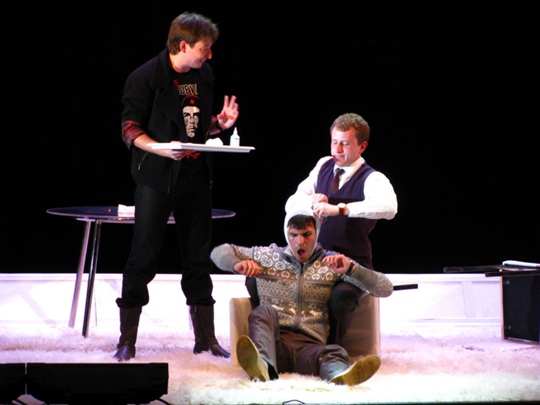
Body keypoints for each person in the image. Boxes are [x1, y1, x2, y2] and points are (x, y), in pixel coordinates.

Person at [114, 11, 238, 362]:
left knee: (198, 257)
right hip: (156, 177)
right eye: (204, 48)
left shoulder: (203, 75)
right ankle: (127, 340)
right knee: (143, 257)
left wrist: (219, 124)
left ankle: (206, 339)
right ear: (183, 45)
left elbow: (196, 128)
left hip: (195, 178)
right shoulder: (145, 77)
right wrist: (159, 148)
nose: (209, 54)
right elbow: (129, 129)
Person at [211, 211, 393, 384]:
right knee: (262, 311)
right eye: (293, 235)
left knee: (334, 352)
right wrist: (235, 264)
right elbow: (218, 252)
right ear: (286, 234)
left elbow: (385, 288)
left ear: (317, 232)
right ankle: (263, 368)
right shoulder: (266, 256)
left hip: (309, 348)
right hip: (274, 345)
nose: (300, 242)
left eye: (306, 234)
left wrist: (352, 269)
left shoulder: (332, 262)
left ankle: (339, 377)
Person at [282, 113, 398, 347]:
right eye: (334, 142)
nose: (337, 149)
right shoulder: (323, 165)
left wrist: (340, 209)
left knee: (341, 296)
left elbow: (389, 208)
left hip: (352, 264)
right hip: (315, 261)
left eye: (344, 143)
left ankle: (331, 353)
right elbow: (292, 201)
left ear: (362, 146)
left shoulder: (373, 178)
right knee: (265, 282)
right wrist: (312, 200)